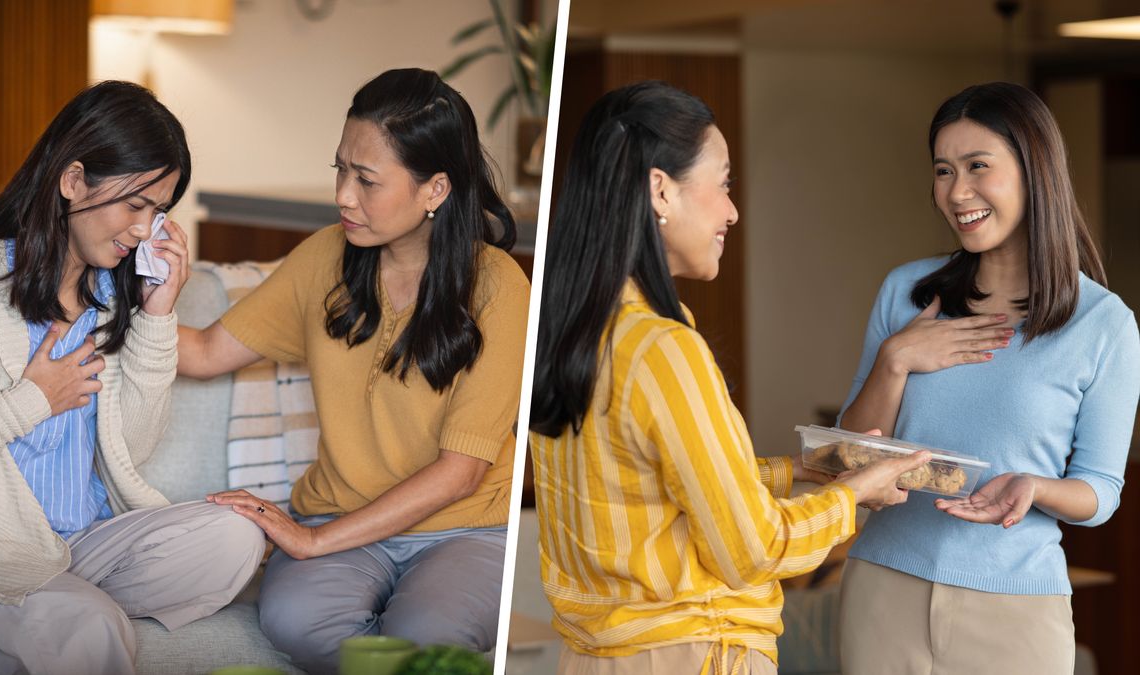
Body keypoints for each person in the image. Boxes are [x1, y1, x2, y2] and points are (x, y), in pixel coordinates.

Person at [528, 80, 929, 675]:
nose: (733, 211)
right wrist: (855, 495)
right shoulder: (664, 348)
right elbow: (753, 549)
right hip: (695, 654)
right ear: (660, 190)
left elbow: (646, 487)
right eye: (723, 183)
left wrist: (796, 471)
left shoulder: (569, 330)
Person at [176, 68, 529, 674]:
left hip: (464, 531)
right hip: (337, 515)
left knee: (423, 638)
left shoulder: (498, 286)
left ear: (435, 189)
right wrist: (105, 309)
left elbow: (460, 474)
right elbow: (206, 353)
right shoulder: (323, 258)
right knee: (295, 623)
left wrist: (309, 542)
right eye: (340, 169)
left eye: (366, 179)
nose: (344, 194)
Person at [0, 80, 265, 675]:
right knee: (93, 625)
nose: (145, 230)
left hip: (84, 543)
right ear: (72, 180)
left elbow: (132, 450)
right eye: (135, 205)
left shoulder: (111, 297)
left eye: (158, 211)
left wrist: (158, 315)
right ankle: (48, 609)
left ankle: (46, 613)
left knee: (236, 537)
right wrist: (31, 401)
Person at [837, 82, 1140, 674]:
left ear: (1035, 171)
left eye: (979, 166)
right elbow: (853, 453)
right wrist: (895, 359)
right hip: (883, 586)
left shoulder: (1104, 324)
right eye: (944, 170)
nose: (957, 192)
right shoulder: (907, 293)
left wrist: (1035, 486)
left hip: (1018, 608)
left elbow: (1100, 491)